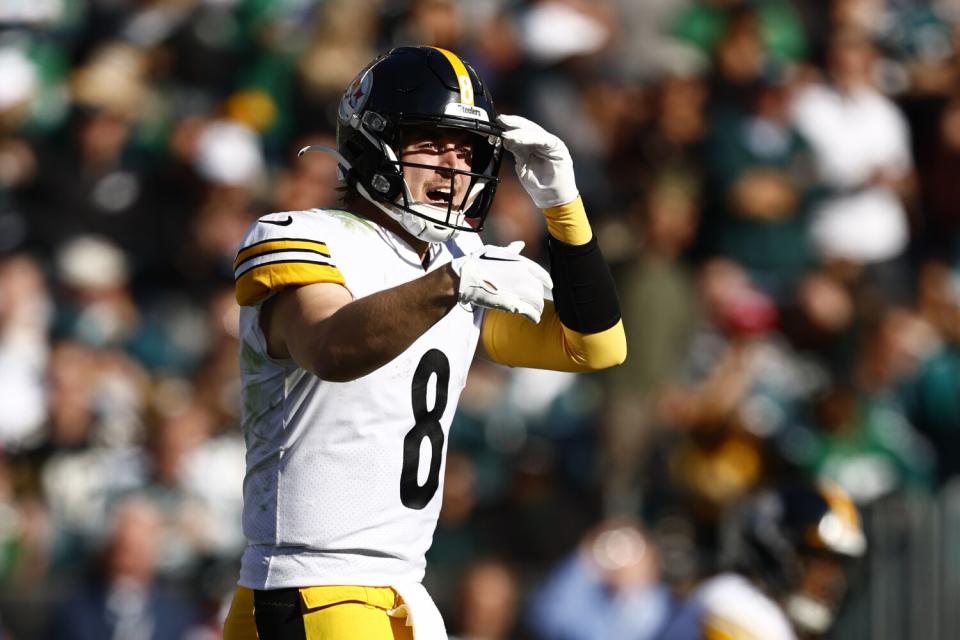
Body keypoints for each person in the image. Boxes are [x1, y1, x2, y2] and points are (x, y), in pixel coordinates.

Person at [222, 45, 626, 640]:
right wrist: (452, 283)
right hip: (311, 583)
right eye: (433, 144)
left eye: (466, 151)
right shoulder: (303, 234)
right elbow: (332, 348)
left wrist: (562, 206)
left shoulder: (458, 260)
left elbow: (593, 348)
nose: (453, 167)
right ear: (374, 141)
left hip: (405, 590)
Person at [659, 480, 867, 640]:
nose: (832, 579)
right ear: (778, 551)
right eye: (821, 560)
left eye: (838, 564)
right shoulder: (734, 603)